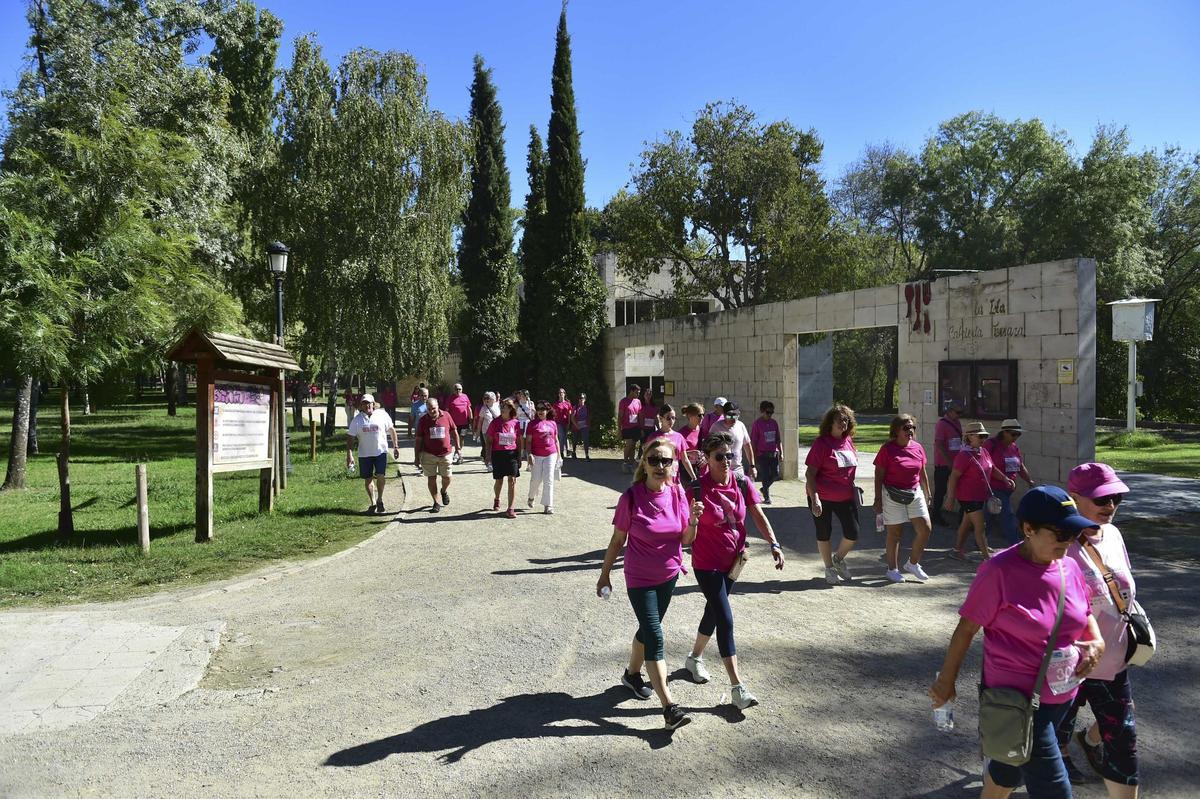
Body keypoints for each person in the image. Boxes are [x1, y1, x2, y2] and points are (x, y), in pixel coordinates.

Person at [930, 486, 1105, 799]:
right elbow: (966, 629)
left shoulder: (1068, 566)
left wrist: (1096, 640)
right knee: (1055, 790)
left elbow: (1085, 610)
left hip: (1061, 696)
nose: (1068, 542)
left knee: (1007, 768)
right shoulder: (998, 572)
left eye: (1073, 534)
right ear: (1028, 529)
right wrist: (946, 682)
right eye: (1061, 533)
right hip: (1017, 701)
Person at [597, 438, 702, 730]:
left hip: (668, 575)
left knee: (647, 629)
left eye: (665, 461)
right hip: (640, 578)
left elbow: (685, 540)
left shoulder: (679, 494)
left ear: (674, 465)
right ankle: (670, 707)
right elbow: (618, 541)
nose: (659, 466)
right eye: (654, 460)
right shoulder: (630, 498)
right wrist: (604, 574)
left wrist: (693, 521)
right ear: (644, 463)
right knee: (656, 635)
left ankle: (632, 675)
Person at [1055, 463, 1141, 796]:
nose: (1110, 506)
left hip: (1113, 665)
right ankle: (1062, 756)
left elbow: (1125, 590)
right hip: (1071, 663)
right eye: (1101, 499)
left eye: (1115, 498)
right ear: (1073, 498)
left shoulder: (1114, 535)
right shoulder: (1060, 542)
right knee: (1060, 725)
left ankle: (1085, 746)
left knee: (1123, 744)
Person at [683, 431, 785, 709]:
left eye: (729, 455)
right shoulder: (696, 488)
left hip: (734, 562)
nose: (726, 460)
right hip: (707, 565)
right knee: (725, 619)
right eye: (720, 456)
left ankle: (693, 658)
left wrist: (774, 543)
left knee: (713, 612)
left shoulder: (741, 482)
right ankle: (737, 688)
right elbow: (684, 533)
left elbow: (758, 515)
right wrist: (692, 520)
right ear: (707, 459)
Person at [873, 414, 934, 583]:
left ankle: (913, 564)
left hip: (914, 492)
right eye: (906, 428)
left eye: (913, 427)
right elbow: (878, 475)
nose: (911, 431)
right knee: (895, 532)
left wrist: (928, 493)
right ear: (897, 430)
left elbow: (922, 472)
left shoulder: (918, 448)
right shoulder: (887, 449)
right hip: (892, 494)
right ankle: (892, 569)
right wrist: (877, 499)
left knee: (925, 528)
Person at [805, 404, 860, 585]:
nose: (843, 423)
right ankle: (829, 568)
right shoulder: (821, 444)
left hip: (845, 496)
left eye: (846, 419)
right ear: (830, 422)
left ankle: (838, 559)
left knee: (853, 532)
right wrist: (815, 499)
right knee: (824, 532)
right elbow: (810, 474)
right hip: (822, 497)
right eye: (839, 419)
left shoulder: (848, 440)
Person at [947, 421, 1015, 561]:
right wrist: (950, 497)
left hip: (980, 495)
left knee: (966, 524)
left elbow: (992, 468)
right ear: (970, 437)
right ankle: (987, 558)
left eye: (984, 436)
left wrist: (1004, 479)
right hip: (968, 496)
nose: (983, 439)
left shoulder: (983, 451)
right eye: (980, 436)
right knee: (981, 525)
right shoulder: (963, 456)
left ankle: (956, 550)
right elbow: (954, 477)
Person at [344, 394, 400, 515]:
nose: (367, 405)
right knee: (368, 479)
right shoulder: (357, 420)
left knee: (381, 476)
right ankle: (373, 502)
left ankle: (380, 500)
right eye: (364, 403)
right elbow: (350, 438)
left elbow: (391, 430)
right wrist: (349, 454)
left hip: (380, 452)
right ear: (361, 405)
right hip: (364, 454)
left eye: (369, 403)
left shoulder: (382, 415)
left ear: (373, 404)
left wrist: (395, 446)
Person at [984, 419, 1037, 546]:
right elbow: (988, 465)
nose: (1016, 437)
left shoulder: (1014, 447)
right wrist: (1003, 478)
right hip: (994, 487)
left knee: (990, 516)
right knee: (1007, 515)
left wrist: (1028, 479)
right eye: (1013, 434)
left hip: (1007, 489)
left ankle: (980, 540)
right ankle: (1016, 544)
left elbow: (1020, 466)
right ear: (1004, 432)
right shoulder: (991, 445)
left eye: (1018, 434)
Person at [414, 398, 460, 513]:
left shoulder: (447, 416)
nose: (431, 411)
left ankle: (443, 491)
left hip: (446, 453)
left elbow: (454, 431)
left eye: (433, 408)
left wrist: (458, 448)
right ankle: (436, 502)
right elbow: (418, 439)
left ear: (438, 406)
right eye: (429, 409)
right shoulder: (423, 420)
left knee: (447, 477)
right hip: (428, 454)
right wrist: (416, 457)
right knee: (431, 478)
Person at [644, 404, 697, 484]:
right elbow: (646, 459)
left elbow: (685, 460)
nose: (671, 421)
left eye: (673, 418)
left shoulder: (679, 437)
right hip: (658, 480)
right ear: (661, 418)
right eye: (668, 418)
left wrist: (694, 477)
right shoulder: (653, 437)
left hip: (675, 480)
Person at [487, 400, 522, 518]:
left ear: (511, 409)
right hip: (497, 454)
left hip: (512, 454)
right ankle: (497, 498)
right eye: (502, 406)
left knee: (512, 480)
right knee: (499, 480)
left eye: (506, 407)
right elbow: (489, 441)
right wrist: (487, 456)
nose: (503, 409)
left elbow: (519, 440)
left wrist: (519, 456)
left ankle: (511, 508)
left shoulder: (516, 423)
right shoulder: (495, 423)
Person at [525, 402, 561, 514]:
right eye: (538, 408)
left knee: (548, 479)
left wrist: (559, 456)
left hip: (551, 454)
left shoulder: (553, 423)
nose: (540, 411)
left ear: (548, 410)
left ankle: (548, 505)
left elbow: (556, 440)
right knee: (535, 480)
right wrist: (529, 454)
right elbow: (528, 441)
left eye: (543, 409)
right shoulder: (532, 424)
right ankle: (531, 497)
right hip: (536, 455)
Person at [932, 401, 965, 526]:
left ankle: (963, 518)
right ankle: (936, 514)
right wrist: (948, 461)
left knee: (961, 488)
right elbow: (939, 444)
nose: (959, 415)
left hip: (956, 462)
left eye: (961, 413)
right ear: (950, 411)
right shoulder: (942, 424)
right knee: (941, 490)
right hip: (943, 463)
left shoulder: (957, 422)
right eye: (957, 412)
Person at [708, 401, 755, 479]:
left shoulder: (741, 425)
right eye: (730, 416)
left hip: (737, 469)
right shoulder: (716, 427)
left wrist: (752, 466)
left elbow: (747, 445)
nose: (733, 419)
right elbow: (708, 448)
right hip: (720, 469)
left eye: (735, 415)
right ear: (724, 414)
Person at [750, 400, 782, 504]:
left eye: (771, 412)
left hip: (773, 454)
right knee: (765, 475)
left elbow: (778, 439)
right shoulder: (757, 424)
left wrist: (781, 452)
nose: (770, 415)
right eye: (768, 412)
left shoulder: (774, 423)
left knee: (775, 474)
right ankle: (767, 497)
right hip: (762, 454)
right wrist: (754, 457)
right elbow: (753, 442)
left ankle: (764, 489)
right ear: (762, 411)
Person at [443, 383, 474, 465]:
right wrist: (446, 421)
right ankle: (454, 454)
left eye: (459, 389)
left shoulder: (465, 396)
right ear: (453, 390)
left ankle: (457, 453)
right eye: (456, 389)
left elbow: (469, 409)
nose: (458, 391)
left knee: (462, 438)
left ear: (462, 389)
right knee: (453, 439)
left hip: (464, 423)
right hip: (453, 424)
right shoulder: (450, 398)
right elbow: (446, 411)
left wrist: (471, 421)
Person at [617, 385, 643, 472]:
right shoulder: (623, 401)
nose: (638, 394)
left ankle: (631, 464)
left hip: (635, 427)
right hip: (626, 427)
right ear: (631, 391)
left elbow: (639, 415)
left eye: (639, 393)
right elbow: (620, 416)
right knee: (629, 444)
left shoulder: (638, 401)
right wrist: (619, 429)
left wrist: (641, 427)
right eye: (637, 392)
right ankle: (625, 462)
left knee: (633, 446)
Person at [678, 403, 705, 476]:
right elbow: (674, 454)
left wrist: (706, 458)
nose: (702, 417)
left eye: (703, 415)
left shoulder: (704, 431)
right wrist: (689, 454)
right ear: (690, 416)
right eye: (699, 415)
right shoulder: (681, 433)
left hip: (703, 471)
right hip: (687, 472)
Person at [475, 391, 501, 469]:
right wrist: (477, 433)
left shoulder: (497, 406)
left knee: (496, 447)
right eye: (485, 398)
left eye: (488, 398)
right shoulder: (483, 408)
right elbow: (480, 421)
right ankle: (489, 463)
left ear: (493, 399)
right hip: (486, 431)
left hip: (497, 431)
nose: (486, 400)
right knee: (488, 447)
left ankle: (494, 462)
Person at [552, 388, 574, 458]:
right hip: (558, 423)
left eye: (562, 393)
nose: (561, 394)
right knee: (561, 436)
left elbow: (570, 414)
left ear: (564, 394)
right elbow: (553, 414)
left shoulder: (568, 404)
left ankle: (567, 450)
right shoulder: (555, 404)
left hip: (566, 422)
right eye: (560, 393)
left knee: (566, 436)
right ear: (558, 394)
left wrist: (569, 423)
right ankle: (561, 452)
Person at [636, 386, 657, 458]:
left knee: (651, 445)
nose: (648, 396)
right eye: (646, 394)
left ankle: (649, 459)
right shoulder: (640, 405)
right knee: (643, 444)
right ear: (643, 395)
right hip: (643, 429)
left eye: (650, 394)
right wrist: (641, 429)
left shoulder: (653, 406)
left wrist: (659, 428)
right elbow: (639, 418)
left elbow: (655, 418)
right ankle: (639, 459)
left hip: (652, 429)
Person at [570, 392, 591, 460]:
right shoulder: (575, 407)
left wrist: (588, 425)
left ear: (585, 399)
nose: (581, 400)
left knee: (586, 440)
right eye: (580, 398)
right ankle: (573, 452)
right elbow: (572, 418)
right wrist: (576, 425)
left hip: (584, 425)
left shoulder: (586, 407)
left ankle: (587, 455)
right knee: (575, 440)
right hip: (576, 425)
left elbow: (588, 417)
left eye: (582, 398)